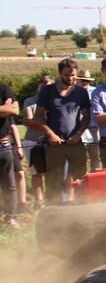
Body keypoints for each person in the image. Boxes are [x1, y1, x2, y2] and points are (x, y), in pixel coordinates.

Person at [33, 57, 91, 204]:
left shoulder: (81, 92)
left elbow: (87, 117)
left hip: (75, 144)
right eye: (67, 75)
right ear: (60, 74)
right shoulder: (47, 90)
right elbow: (38, 116)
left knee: (81, 179)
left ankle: (82, 208)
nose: (71, 78)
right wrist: (50, 134)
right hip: (55, 145)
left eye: (73, 75)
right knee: (53, 180)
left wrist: (78, 135)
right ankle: (53, 211)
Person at [22, 74, 52, 209]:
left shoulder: (53, 103)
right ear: (38, 85)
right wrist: (46, 124)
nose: (44, 85)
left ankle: (51, 199)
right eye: (42, 82)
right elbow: (27, 121)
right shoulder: (30, 101)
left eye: (48, 83)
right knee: (36, 173)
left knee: (51, 172)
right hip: (33, 141)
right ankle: (39, 202)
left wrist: (38, 122)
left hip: (50, 142)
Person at [0, 79, 19, 227]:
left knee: (9, 184)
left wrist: (9, 108)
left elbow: (14, 110)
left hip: (4, 144)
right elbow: (8, 109)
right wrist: (4, 108)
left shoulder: (4, 88)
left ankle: (10, 217)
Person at [75, 70, 101, 170]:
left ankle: (95, 176)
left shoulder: (95, 91)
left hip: (92, 127)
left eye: (87, 81)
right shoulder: (73, 92)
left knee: (94, 155)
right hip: (77, 129)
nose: (85, 83)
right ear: (77, 80)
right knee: (79, 156)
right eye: (82, 80)